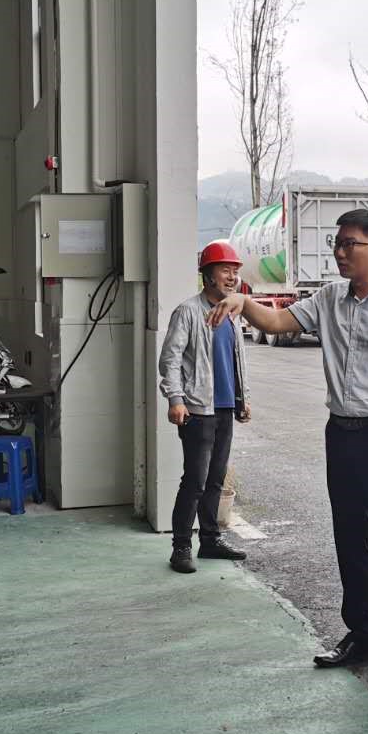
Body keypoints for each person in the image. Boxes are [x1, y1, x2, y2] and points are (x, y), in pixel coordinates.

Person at [208, 209, 368, 687]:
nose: (340, 252)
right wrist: (242, 302)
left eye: (350, 244)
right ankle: (361, 634)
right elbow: (278, 320)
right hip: (342, 433)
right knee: (350, 539)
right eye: (337, 243)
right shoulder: (330, 298)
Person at [156, 240, 251, 574]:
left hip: (224, 408)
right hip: (197, 409)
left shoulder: (232, 314)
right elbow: (170, 360)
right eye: (225, 270)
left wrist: (242, 399)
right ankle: (181, 547)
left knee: (215, 479)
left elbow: (234, 360)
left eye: (235, 271)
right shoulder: (188, 311)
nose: (232, 277)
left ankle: (210, 541)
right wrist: (175, 399)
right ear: (208, 275)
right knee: (195, 481)